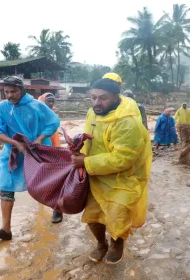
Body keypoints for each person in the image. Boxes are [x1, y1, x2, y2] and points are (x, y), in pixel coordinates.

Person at [71, 76, 152, 264]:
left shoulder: (127, 122)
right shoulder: (93, 113)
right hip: (96, 174)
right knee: (93, 216)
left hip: (124, 177)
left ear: (116, 97)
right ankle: (101, 244)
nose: (96, 103)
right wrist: (78, 151)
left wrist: (86, 162)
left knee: (118, 215)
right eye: (93, 97)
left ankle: (116, 243)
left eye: (103, 98)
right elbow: (89, 139)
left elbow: (123, 159)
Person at [0, 76, 60, 240]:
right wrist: (14, 143)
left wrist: (40, 138)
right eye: (6, 92)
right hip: (13, 152)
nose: (10, 95)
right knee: (6, 184)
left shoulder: (36, 105)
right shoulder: (1, 108)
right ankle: (6, 230)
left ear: (22, 90)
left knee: (47, 182)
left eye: (14, 91)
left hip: (38, 150)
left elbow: (53, 122)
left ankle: (57, 207)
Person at [38, 92, 63, 223]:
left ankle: (57, 209)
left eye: (53, 101)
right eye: (48, 101)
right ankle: (42, 203)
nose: (51, 103)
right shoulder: (36, 113)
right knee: (41, 178)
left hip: (54, 147)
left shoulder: (54, 114)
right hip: (40, 148)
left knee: (54, 179)